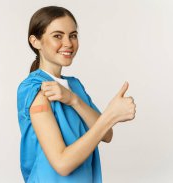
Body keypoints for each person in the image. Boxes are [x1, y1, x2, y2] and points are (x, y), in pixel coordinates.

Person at [17, 6, 136, 183]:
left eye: (72, 35)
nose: (68, 43)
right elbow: (62, 164)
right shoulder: (37, 90)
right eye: (58, 35)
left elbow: (106, 134)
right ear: (36, 42)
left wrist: (73, 100)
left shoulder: (74, 86)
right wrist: (110, 115)